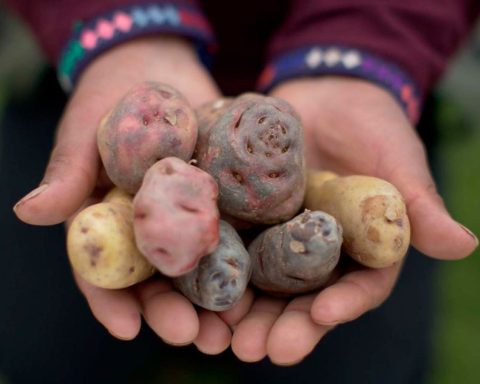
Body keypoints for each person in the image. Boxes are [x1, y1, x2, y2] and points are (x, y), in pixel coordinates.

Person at [2, 0, 479, 382]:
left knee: (368, 367)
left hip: (353, 62)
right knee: (42, 351)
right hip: (105, 44)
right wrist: (123, 35)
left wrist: (360, 57)